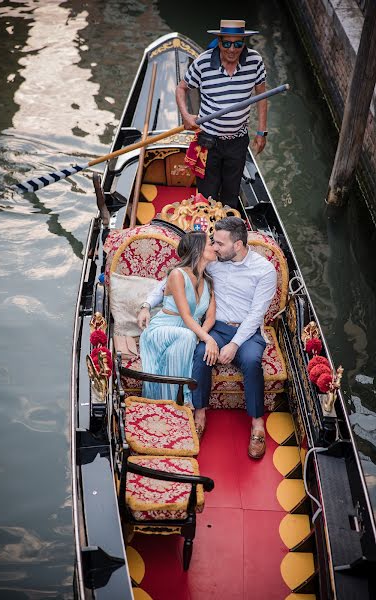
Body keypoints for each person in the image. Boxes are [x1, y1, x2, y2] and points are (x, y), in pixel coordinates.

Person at [138, 217, 277, 458]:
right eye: (212, 242)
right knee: (201, 354)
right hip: (217, 328)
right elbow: (168, 281)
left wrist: (234, 344)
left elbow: (256, 314)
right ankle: (200, 413)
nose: (214, 246)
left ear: (238, 245)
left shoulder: (264, 270)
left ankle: (257, 424)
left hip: (247, 331)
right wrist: (146, 304)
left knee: (253, 362)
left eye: (220, 243)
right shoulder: (213, 262)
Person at [175, 19, 268, 211]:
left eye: (237, 44)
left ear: (244, 43)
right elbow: (181, 88)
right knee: (207, 194)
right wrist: (186, 115)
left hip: (238, 141)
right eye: (227, 43)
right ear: (219, 42)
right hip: (209, 142)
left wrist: (261, 132)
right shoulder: (203, 63)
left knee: (231, 194)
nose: (232, 49)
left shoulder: (255, 61)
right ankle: (207, 235)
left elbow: (262, 96)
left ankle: (225, 236)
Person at [139, 231, 218, 408]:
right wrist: (207, 338)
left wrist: (201, 335)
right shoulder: (177, 274)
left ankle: (173, 403)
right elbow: (186, 315)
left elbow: (211, 317)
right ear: (198, 249)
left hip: (189, 333)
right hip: (163, 329)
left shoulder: (209, 282)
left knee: (188, 339)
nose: (214, 248)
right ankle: (180, 401)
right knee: (188, 337)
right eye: (210, 244)